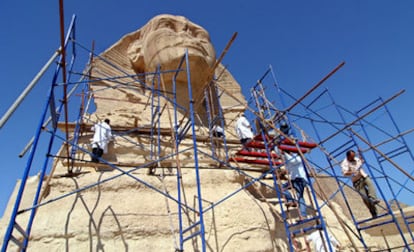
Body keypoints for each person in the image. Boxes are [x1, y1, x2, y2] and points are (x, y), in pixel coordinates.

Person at [341, 150, 380, 218]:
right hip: (356, 181)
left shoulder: (356, 159)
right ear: (348, 157)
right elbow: (345, 173)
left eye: (354, 156)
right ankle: (373, 212)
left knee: (370, 184)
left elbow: (361, 161)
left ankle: (373, 198)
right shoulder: (344, 163)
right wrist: (352, 172)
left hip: (363, 176)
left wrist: (360, 154)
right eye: (352, 157)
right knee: (365, 198)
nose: (353, 158)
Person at [282, 150, 310, 219]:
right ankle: (290, 200)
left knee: (300, 196)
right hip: (294, 179)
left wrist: (284, 152)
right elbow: (288, 168)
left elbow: (292, 161)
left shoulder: (297, 157)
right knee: (282, 187)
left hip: (300, 179)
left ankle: (303, 214)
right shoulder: (290, 160)